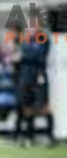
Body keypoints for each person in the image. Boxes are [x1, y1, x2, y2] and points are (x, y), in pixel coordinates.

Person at [14, 17, 55, 146]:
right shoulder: (25, 40)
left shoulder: (43, 38)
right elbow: (19, 54)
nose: (31, 28)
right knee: (27, 107)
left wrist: (22, 56)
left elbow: (39, 55)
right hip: (25, 77)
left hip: (39, 76)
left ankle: (50, 137)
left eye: (34, 25)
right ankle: (29, 137)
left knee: (44, 107)